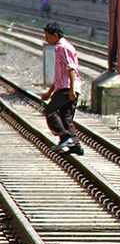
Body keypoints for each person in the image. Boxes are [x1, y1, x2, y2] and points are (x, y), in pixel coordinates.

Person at [41, 23, 83, 155]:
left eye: (48, 37)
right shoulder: (59, 47)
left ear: (55, 35)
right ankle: (75, 146)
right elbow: (59, 75)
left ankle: (65, 137)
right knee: (65, 116)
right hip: (65, 86)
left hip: (67, 87)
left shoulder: (63, 47)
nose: (47, 40)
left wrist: (72, 89)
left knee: (50, 111)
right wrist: (49, 92)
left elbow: (71, 68)